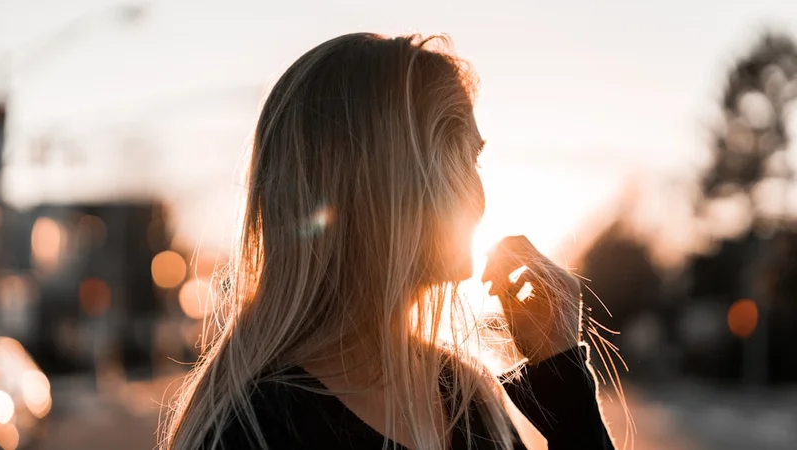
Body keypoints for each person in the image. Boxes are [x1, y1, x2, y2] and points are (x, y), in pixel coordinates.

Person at [161, 33, 615, 450]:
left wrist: (565, 390)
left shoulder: (466, 399)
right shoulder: (249, 431)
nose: (480, 198)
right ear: (390, 184)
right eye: (466, 158)